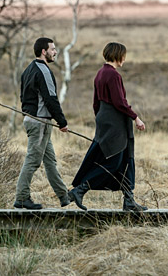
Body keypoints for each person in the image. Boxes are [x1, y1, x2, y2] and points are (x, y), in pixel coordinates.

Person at [67, 42, 147, 211]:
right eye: (123, 55)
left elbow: (96, 103)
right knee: (113, 163)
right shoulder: (113, 75)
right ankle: (79, 190)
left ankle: (129, 200)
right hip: (115, 123)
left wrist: (101, 121)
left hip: (107, 121)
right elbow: (120, 102)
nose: (124, 58)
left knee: (126, 159)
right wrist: (136, 118)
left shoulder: (100, 74)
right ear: (118, 55)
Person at [14, 37, 72, 210]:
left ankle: (64, 196)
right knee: (33, 160)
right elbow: (51, 99)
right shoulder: (43, 71)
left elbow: (23, 98)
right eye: (53, 49)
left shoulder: (28, 70)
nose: (55, 52)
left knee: (50, 161)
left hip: (34, 120)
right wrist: (62, 122)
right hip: (40, 123)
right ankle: (22, 197)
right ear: (43, 51)